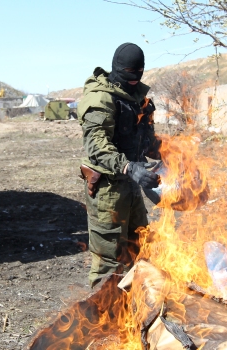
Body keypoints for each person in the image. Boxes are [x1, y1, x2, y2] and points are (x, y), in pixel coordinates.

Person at [78, 43, 162, 288]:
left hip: (133, 186)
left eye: (139, 73)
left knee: (140, 247)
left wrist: (170, 153)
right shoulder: (100, 97)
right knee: (110, 261)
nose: (134, 79)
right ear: (117, 68)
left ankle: (135, 312)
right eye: (129, 73)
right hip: (108, 191)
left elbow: (145, 141)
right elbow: (96, 145)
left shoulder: (139, 99)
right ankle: (104, 317)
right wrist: (129, 167)